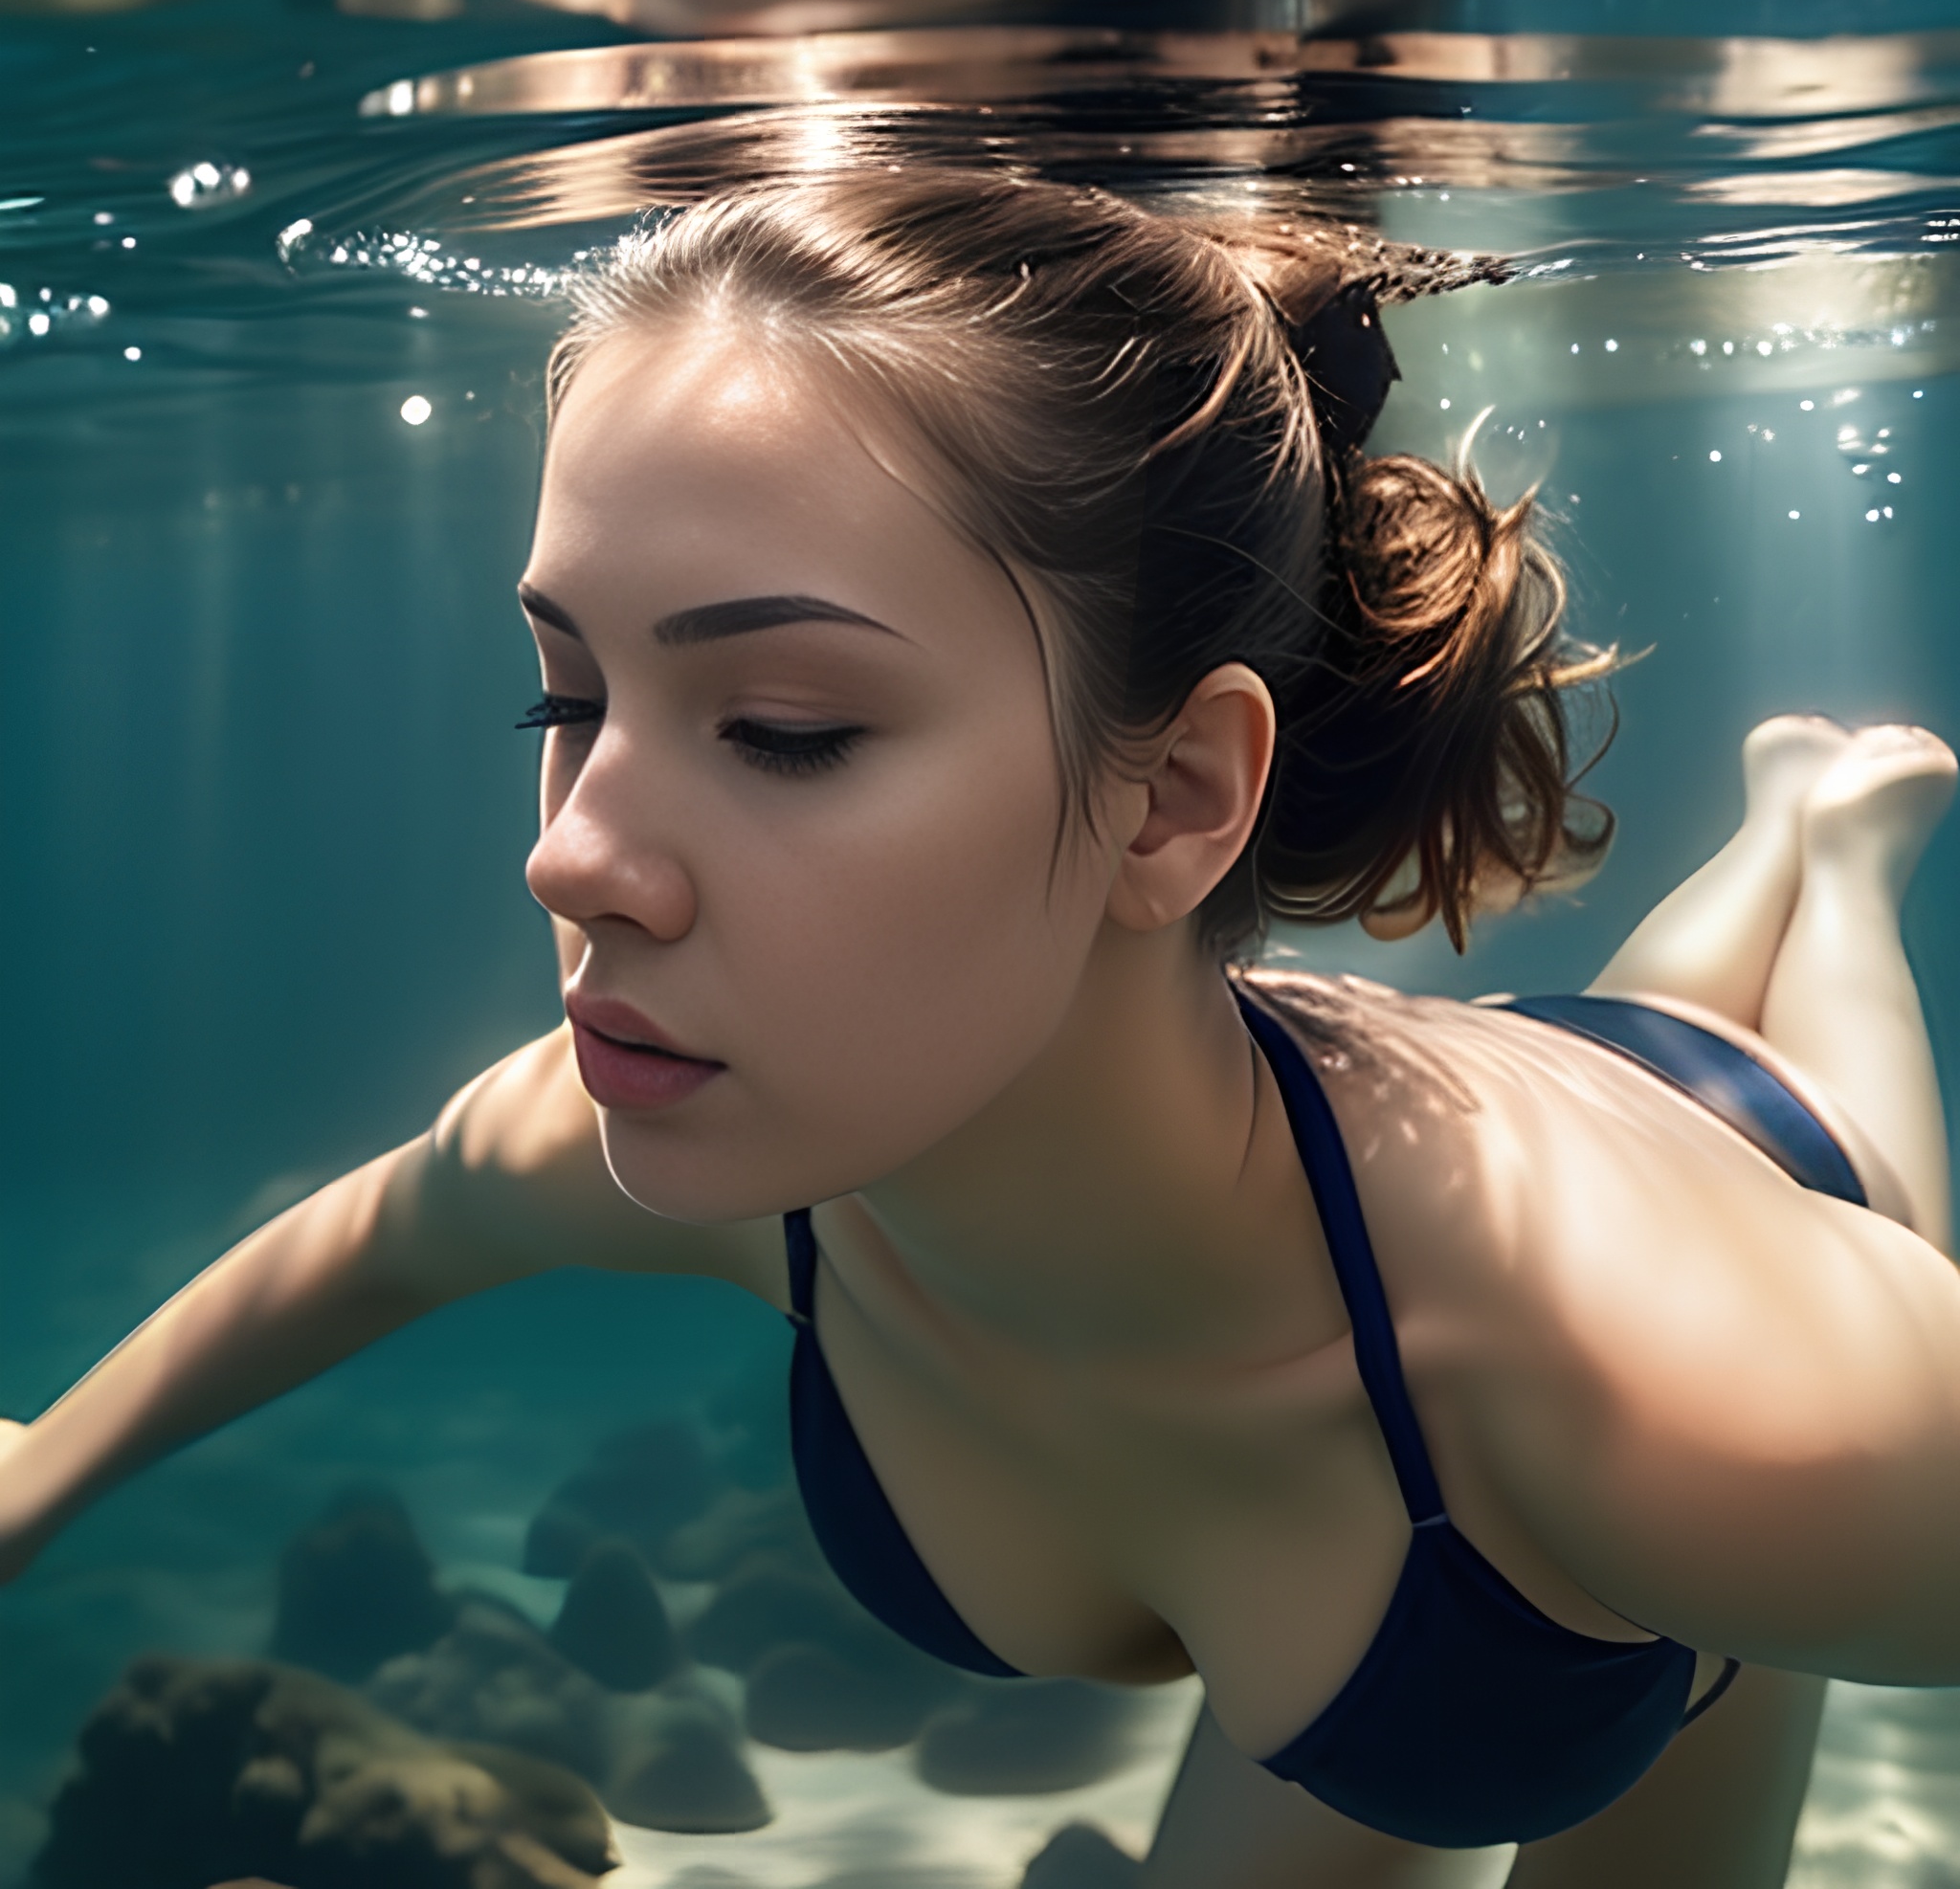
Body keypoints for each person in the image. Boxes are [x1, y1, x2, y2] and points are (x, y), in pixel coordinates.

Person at [2, 170, 1956, 1889]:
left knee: (1761, 1069)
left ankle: (1836, 840)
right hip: (1442, 1147)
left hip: (1723, 1201)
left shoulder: (1708, 1404)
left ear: (1178, 794)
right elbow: (391, 1227)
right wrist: (43, 1470)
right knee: (1637, 1022)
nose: (574, 859)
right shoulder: (713, 1148)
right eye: (563, 705)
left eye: (782, 727)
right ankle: (1789, 827)